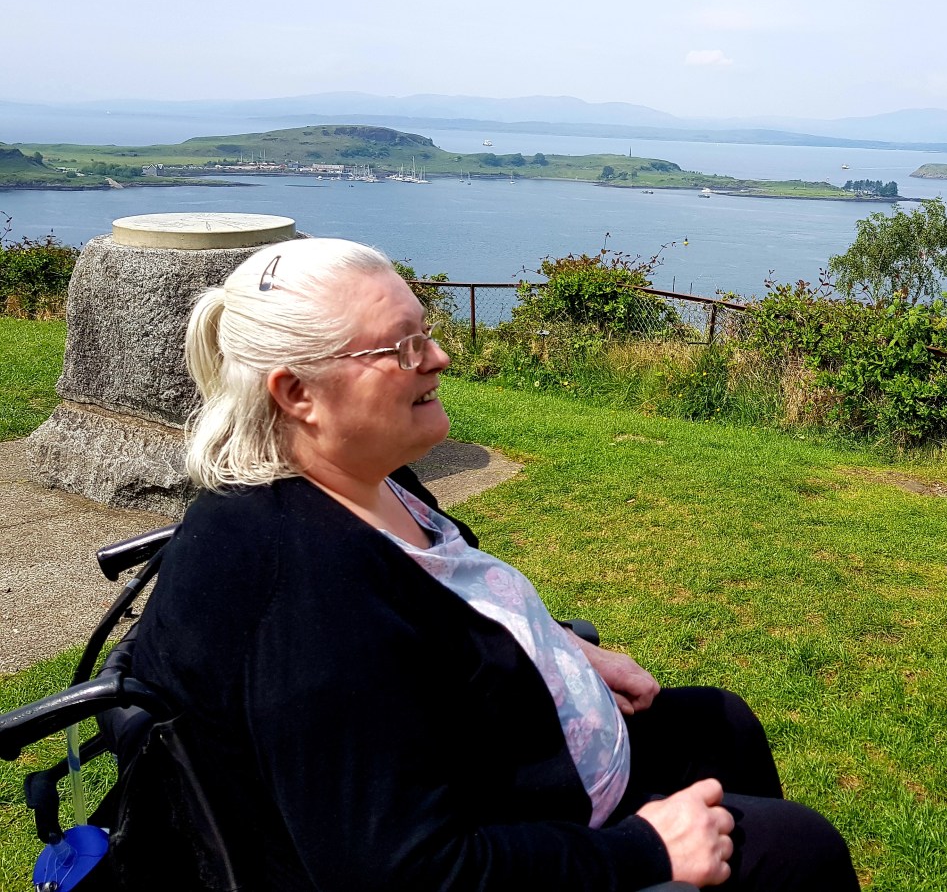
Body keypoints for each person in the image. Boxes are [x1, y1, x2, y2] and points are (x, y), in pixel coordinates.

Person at [129, 237, 858, 891]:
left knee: (721, 724)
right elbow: (402, 870)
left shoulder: (367, 481)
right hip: (492, 838)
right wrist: (648, 850)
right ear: (296, 394)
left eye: (428, 331)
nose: (439, 357)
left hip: (501, 758)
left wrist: (561, 646)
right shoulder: (304, 591)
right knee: (799, 850)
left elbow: (454, 598)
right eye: (403, 346)